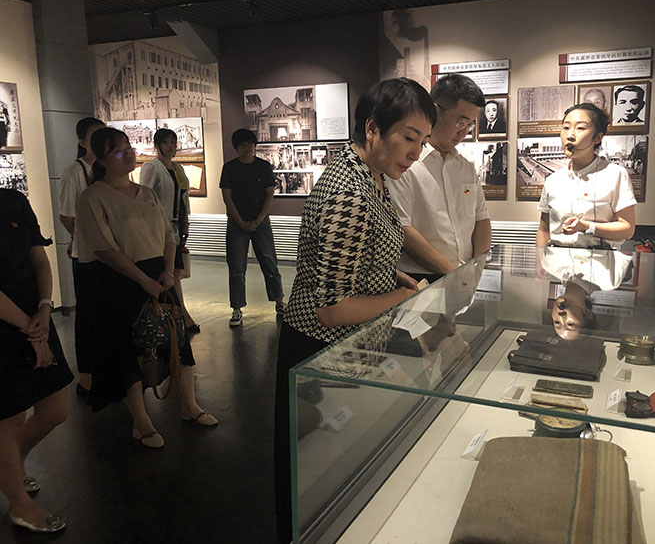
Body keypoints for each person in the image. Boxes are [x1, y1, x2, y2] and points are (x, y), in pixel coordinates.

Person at [275, 77, 436, 543]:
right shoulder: (350, 192)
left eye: (423, 141)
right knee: (314, 478)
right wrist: (400, 298)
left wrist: (391, 275)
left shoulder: (370, 176)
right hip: (318, 351)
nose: (415, 152)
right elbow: (331, 309)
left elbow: (358, 258)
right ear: (372, 128)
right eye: (408, 137)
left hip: (340, 348)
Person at [77, 127, 216, 450]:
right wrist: (144, 280)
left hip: (159, 276)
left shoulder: (146, 193)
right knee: (128, 350)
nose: (128, 154)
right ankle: (142, 422)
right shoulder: (93, 197)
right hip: (122, 281)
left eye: (128, 147)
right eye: (118, 150)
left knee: (178, 341)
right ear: (101, 159)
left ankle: (189, 405)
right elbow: (105, 250)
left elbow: (168, 235)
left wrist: (167, 272)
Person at [0, 189, 72, 533]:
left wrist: (45, 305)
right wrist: (31, 328)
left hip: (35, 316)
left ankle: (10, 466)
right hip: (13, 323)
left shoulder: (13, 200)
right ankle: (20, 504)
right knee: (8, 419)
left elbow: (39, 260)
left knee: (55, 409)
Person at [388, 73, 492, 284]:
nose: (464, 132)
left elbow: (481, 220)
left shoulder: (466, 167)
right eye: (461, 122)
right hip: (420, 277)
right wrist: (453, 272)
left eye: (470, 125)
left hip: (464, 274)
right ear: (436, 112)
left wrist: (476, 267)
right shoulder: (406, 163)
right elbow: (404, 229)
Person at [536, 103, 636, 249]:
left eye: (580, 128)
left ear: (597, 137)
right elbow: (544, 230)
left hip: (600, 258)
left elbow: (627, 229)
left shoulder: (615, 174)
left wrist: (587, 226)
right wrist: (540, 260)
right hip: (557, 259)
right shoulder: (553, 180)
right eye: (566, 127)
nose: (570, 135)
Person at [58, 116, 105, 398]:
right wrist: (82, 239)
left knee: (107, 313)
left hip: (110, 255)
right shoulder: (74, 172)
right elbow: (66, 215)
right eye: (95, 136)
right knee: (88, 315)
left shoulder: (105, 169)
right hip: (87, 256)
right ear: (82, 141)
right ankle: (87, 376)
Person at [220, 129, 285, 326]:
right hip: (236, 222)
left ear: (255, 145)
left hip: (261, 221)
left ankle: (279, 302)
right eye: (242, 145)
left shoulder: (263, 167)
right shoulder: (229, 168)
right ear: (236, 148)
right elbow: (227, 198)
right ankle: (237, 308)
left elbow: (269, 195)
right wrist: (240, 221)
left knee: (269, 262)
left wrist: (258, 220)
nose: (247, 148)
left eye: (250, 144)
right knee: (236, 267)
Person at [140, 128, 200, 333]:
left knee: (175, 271)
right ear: (157, 145)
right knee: (169, 270)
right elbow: (146, 198)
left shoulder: (178, 168)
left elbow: (184, 198)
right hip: (161, 226)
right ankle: (179, 315)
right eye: (165, 143)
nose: (170, 146)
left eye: (173, 142)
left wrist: (186, 221)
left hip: (177, 225)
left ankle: (180, 314)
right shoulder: (152, 167)